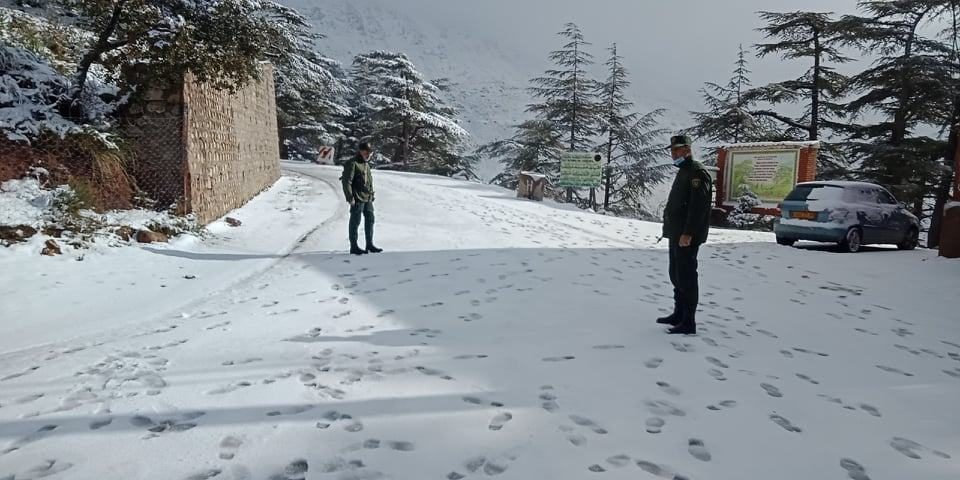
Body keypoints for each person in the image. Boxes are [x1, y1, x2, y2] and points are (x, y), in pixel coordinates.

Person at [657, 135, 712, 335]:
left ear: (687, 149)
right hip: (676, 233)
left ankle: (689, 321)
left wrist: (688, 233)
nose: (673, 154)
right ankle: (678, 313)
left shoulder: (697, 173)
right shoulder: (684, 171)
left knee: (687, 276)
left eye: (677, 150)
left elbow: (698, 208)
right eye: (672, 151)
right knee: (676, 274)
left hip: (686, 236)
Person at [341, 143, 382, 255]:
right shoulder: (352, 163)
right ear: (360, 151)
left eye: (369, 152)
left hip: (367, 197)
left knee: (370, 219)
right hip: (357, 197)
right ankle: (354, 246)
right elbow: (347, 182)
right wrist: (350, 197)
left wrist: (371, 194)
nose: (368, 154)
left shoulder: (366, 164)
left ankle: (369, 244)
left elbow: (369, 180)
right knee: (355, 221)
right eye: (366, 152)